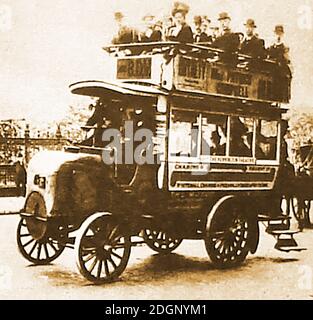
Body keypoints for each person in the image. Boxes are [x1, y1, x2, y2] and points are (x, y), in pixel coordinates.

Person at [267, 25, 292, 102]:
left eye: (279, 33)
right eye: (276, 33)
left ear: (282, 34)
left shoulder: (284, 46)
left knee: (281, 79)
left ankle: (280, 98)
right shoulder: (272, 45)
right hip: (273, 67)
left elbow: (287, 58)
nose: (278, 35)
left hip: (281, 67)